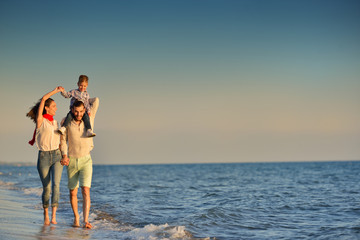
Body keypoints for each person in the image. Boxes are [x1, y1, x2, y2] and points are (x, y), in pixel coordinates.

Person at [26, 87, 65, 225]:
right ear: (47, 108)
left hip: (56, 155)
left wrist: (64, 155)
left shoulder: (56, 123)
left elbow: (61, 141)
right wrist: (56, 90)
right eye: (53, 106)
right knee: (47, 188)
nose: (56, 108)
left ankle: (54, 216)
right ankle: (46, 213)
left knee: (56, 185)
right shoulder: (40, 121)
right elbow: (43, 99)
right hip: (43, 157)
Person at [60, 97, 99, 229]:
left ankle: (85, 220)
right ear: (72, 110)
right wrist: (64, 156)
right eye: (76, 111)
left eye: (81, 111)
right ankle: (76, 217)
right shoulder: (66, 122)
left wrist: (83, 97)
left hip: (86, 160)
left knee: (86, 191)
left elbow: (97, 101)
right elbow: (63, 141)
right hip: (71, 160)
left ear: (84, 110)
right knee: (72, 192)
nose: (79, 114)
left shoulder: (90, 119)